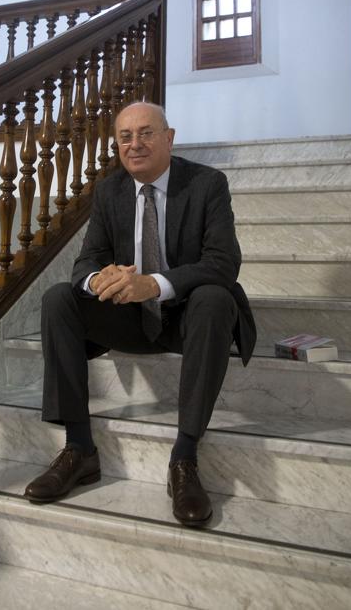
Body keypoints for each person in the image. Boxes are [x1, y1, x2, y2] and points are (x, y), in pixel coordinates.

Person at [24, 101, 256, 526]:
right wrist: (100, 280)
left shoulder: (207, 184)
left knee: (215, 298)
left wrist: (155, 283)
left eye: (146, 133)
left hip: (189, 319)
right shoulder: (110, 191)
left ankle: (184, 458)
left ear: (169, 138)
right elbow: (85, 263)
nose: (135, 144)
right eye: (125, 137)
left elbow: (223, 262)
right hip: (131, 318)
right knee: (59, 297)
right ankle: (79, 449)